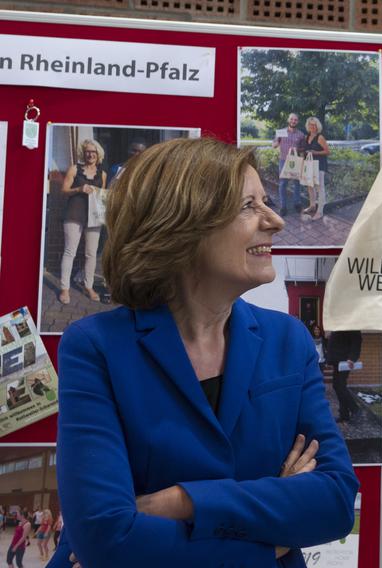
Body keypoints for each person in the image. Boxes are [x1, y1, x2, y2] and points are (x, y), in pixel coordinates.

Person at [50, 137, 358, 568]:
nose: (275, 221)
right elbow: (107, 539)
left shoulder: (288, 342)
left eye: (266, 202)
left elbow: (335, 501)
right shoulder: (96, 348)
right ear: (179, 225)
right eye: (249, 206)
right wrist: (271, 543)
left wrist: (185, 501)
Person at [59, 139, 107, 305]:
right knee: (69, 251)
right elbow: (64, 190)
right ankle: (64, 288)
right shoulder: (75, 169)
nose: (90, 154)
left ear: (98, 154)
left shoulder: (102, 174)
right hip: (74, 214)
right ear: (83, 153)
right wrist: (79, 189)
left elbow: (102, 196)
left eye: (93, 152)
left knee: (91, 254)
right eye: (87, 151)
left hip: (94, 217)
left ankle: (89, 286)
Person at [272, 113, 307, 216]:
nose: (293, 121)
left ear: (298, 121)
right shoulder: (281, 132)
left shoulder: (301, 134)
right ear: (288, 120)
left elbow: (303, 149)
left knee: (297, 182)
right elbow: (274, 145)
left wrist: (297, 149)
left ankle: (297, 203)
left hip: (296, 161)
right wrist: (277, 141)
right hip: (283, 160)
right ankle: (283, 206)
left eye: (295, 120)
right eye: (292, 119)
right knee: (283, 183)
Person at [325, 330, 362, 422]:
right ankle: (344, 414)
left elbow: (357, 340)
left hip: (345, 361)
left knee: (340, 386)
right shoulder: (338, 325)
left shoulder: (350, 324)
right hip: (337, 361)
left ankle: (355, 409)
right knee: (337, 386)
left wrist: (352, 358)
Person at [298, 116, 330, 221]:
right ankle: (312, 206)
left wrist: (315, 152)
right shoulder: (307, 137)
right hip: (309, 165)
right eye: (310, 125)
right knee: (310, 186)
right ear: (308, 126)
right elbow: (305, 151)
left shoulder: (320, 137)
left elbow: (327, 151)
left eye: (314, 125)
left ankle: (320, 211)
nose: (312, 126)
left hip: (319, 165)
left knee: (319, 188)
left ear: (317, 126)